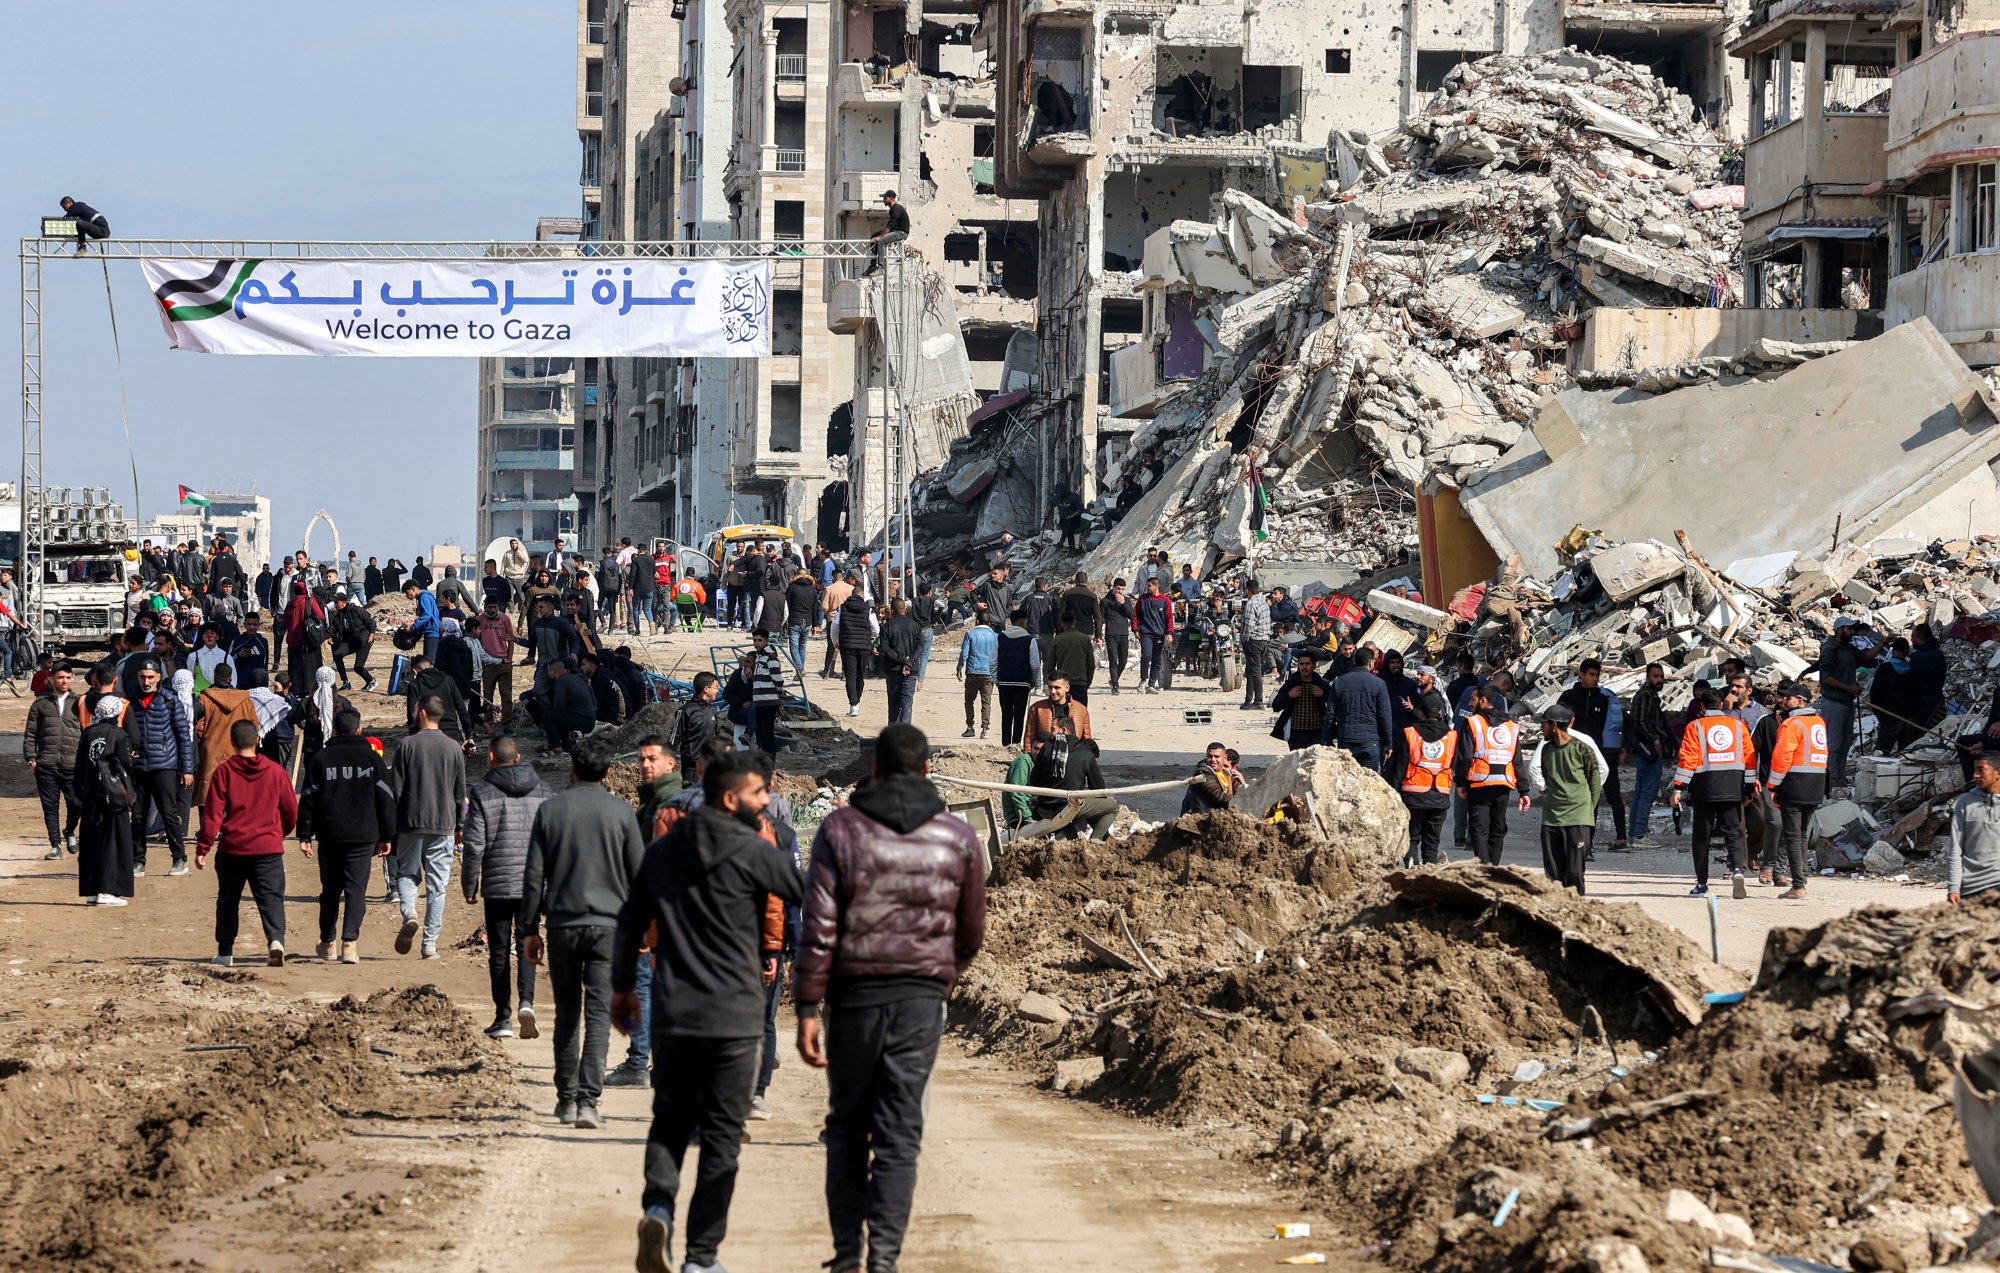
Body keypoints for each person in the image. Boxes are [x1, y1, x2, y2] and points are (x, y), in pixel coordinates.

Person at [794, 723, 986, 1273]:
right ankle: (883, 1261)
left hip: (853, 997)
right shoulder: (957, 835)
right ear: (928, 770)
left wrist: (808, 1006)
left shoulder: (840, 830)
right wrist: (944, 975)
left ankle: (846, 1257)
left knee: (847, 1124)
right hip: (921, 997)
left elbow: (820, 926)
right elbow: (971, 929)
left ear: (873, 768)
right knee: (901, 1130)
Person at [613, 751, 804, 1273]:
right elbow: (806, 899)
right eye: (757, 794)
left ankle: (657, 1208)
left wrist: (624, 991)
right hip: (737, 1019)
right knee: (721, 1137)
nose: (766, 801)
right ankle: (701, 1257)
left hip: (675, 1012)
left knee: (670, 1122)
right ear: (728, 799)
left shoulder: (663, 851)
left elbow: (631, 924)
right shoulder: (757, 851)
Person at [195, 719, 300, 966]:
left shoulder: (223, 772)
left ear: (232, 743)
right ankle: (276, 941)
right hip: (268, 848)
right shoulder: (275, 771)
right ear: (258, 740)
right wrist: (279, 832)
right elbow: (290, 809)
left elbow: (212, 814)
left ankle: (225, 952)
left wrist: (204, 847)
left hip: (233, 847)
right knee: (271, 898)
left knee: (228, 900)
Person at [296, 707, 396, 964]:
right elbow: (386, 800)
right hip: (363, 836)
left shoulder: (321, 758)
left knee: (330, 890)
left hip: (330, 835)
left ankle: (328, 942)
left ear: (336, 730)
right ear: (359, 730)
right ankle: (349, 944)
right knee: (355, 891)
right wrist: (388, 836)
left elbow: (308, 799)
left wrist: (305, 834)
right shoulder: (372, 760)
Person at [391, 696, 468, 960]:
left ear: (422, 713)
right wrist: (459, 826)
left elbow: (396, 789)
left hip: (411, 821)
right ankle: (430, 944)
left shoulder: (406, 745)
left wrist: (394, 823)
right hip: (444, 822)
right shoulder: (453, 748)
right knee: (438, 886)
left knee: (407, 873)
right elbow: (460, 792)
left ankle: (410, 912)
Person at [1670, 688, 1756, 898]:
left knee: (1702, 837)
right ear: (1721, 705)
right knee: (1734, 832)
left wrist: (1678, 787)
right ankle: (1737, 869)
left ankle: (1701, 884)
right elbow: (1749, 757)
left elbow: (1688, 759)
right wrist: (1749, 786)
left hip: (1705, 789)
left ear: (1702, 706)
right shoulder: (1738, 725)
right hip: (1732, 786)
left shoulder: (1695, 727)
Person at [1523, 704, 1608, 894]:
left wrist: (1586, 809)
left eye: (1543, 724)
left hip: (1578, 819)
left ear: (1553, 725)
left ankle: (1576, 911)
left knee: (1575, 872)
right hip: (1552, 819)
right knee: (1553, 875)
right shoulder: (1546, 750)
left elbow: (1595, 782)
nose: (1540, 728)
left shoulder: (1582, 749)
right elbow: (1544, 776)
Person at [127, 656, 195, 877]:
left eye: (150, 677)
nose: (146, 682)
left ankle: (179, 858)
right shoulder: (131, 701)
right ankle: (138, 861)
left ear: (158, 677)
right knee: (138, 815)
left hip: (165, 765)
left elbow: (183, 736)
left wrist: (187, 769)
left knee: (168, 813)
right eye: (142, 677)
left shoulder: (170, 700)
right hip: (139, 767)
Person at [1765, 681, 1828, 900]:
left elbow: (1782, 758)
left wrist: (1773, 786)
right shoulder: (1819, 723)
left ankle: (1798, 886)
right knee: (1802, 833)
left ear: (1800, 701)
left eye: (1789, 698)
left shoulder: (1792, 725)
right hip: (1816, 783)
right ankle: (1803, 879)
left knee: (1792, 835)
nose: (1784, 700)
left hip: (1795, 783)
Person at [1556, 659, 1628, 849]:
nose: (1595, 679)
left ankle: (1588, 844)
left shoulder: (1602, 699)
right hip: (1570, 754)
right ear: (1581, 674)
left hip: (1595, 753)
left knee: (1595, 798)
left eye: (1597, 675)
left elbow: (1601, 727)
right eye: (1591, 675)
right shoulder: (1568, 696)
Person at [75, 696, 137, 906]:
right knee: (114, 843)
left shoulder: (88, 733)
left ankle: (92, 890)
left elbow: (80, 766)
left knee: (92, 843)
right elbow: (126, 766)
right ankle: (108, 890)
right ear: (117, 713)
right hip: (112, 799)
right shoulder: (119, 735)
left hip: (90, 796)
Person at [1452, 684, 1519, 866]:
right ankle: (1494, 867)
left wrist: (1460, 782)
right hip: (1504, 784)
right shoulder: (1511, 726)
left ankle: (1484, 868)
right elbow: (1517, 759)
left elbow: (1464, 755)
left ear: (1483, 701)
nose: (1470, 703)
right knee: (1497, 830)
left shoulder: (1473, 722)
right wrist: (1525, 790)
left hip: (1480, 783)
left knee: (1479, 830)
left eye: (1473, 699)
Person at [26, 661, 83, 860]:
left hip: (73, 764)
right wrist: (31, 758)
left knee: (76, 803)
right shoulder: (40, 704)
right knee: (50, 807)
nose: (64, 681)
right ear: (52, 679)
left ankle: (69, 831)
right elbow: (31, 733)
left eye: (68, 677)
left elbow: (86, 732)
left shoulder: (80, 702)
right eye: (60, 677)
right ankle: (56, 845)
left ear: (72, 679)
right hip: (46, 764)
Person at [1815, 615, 1868, 787]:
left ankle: (1840, 774)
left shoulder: (1848, 648)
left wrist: (1883, 643)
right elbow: (1826, 677)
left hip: (1846, 700)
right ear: (1839, 630)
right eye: (1849, 629)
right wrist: (1848, 688)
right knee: (1834, 741)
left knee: (1845, 741)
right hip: (1834, 701)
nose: (1852, 632)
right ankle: (1831, 776)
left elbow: (1867, 659)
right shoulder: (1830, 648)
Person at [1398, 706, 1455, 865]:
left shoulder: (1410, 733)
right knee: (1432, 841)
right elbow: (1457, 763)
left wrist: (1394, 791)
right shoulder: (1451, 737)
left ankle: (1412, 866)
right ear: (1441, 715)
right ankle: (1429, 869)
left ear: (1421, 713)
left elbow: (1399, 766)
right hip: (1440, 795)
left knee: (1411, 837)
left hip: (1413, 795)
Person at [1624, 662, 1673, 849]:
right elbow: (1641, 722)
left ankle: (1634, 833)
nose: (1659, 680)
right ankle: (1639, 834)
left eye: (1661, 676)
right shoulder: (1645, 696)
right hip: (1649, 751)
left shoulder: (1649, 696)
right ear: (1647, 677)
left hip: (1644, 750)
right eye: (1655, 676)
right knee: (1647, 792)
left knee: (1640, 792)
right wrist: (1656, 740)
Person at [1328, 649, 1394, 773]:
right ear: (1370, 662)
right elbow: (1385, 716)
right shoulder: (1379, 684)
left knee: (1346, 783)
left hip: (1346, 739)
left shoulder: (1339, 682)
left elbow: (1330, 714)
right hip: (1370, 742)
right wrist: (1388, 743)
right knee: (1368, 784)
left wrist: (1326, 739)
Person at [1950, 752, 2000, 905]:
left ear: (1998, 772)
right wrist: (1954, 887)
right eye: (1974, 770)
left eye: (1981, 770)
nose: (1975, 775)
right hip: (1970, 888)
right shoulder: (1965, 802)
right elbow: (1955, 849)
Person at [831, 578, 878, 720]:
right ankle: (857, 699)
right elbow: (875, 627)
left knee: (850, 675)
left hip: (847, 645)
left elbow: (834, 627)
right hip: (864, 645)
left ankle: (853, 705)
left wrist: (835, 642)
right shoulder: (868, 609)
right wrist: (873, 637)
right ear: (862, 596)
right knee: (860, 675)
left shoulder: (841, 607)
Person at [532, 657, 598, 751]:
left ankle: (555, 746)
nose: (547, 673)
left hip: (582, 720)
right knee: (559, 716)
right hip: (590, 718)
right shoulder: (576, 679)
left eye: (548, 671)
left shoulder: (561, 682)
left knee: (548, 715)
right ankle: (566, 743)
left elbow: (560, 707)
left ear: (553, 671)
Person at [994, 610, 1039, 748]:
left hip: (1004, 683)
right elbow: (1035, 665)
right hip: (1022, 683)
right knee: (1019, 715)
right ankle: (1016, 743)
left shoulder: (999, 638)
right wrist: (1034, 681)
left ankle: (1005, 743)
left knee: (1006, 715)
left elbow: (992, 662)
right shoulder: (1030, 641)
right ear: (1021, 622)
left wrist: (997, 680)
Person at [1270, 648, 1329, 751]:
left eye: (1307, 664)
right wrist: (1289, 695)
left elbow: (1336, 705)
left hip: (1317, 732)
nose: (1304, 667)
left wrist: (1323, 694)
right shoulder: (1291, 684)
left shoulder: (1321, 684)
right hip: (1295, 733)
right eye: (1301, 664)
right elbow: (1276, 706)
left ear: (1314, 665)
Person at [878, 600, 923, 725]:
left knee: (894, 703)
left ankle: (893, 734)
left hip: (893, 669)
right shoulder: (915, 626)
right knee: (907, 701)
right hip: (911, 670)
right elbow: (920, 646)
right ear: (905, 610)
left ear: (892, 611)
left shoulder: (887, 627)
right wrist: (909, 662)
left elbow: (885, 649)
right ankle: (906, 733)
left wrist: (902, 660)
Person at [956, 617, 999, 740]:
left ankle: (970, 728)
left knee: (969, 700)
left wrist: (959, 668)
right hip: (989, 673)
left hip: (973, 673)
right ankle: (985, 729)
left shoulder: (970, 633)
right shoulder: (995, 636)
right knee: (986, 702)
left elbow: (964, 653)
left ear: (977, 621)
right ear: (989, 622)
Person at [746, 628, 789, 752]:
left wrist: (776, 694)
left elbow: (778, 680)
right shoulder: (759, 657)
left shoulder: (770, 657)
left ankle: (769, 765)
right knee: (760, 736)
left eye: (760, 640)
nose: (757, 643)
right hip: (759, 702)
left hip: (768, 702)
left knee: (767, 735)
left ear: (766, 641)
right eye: (755, 640)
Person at [672, 672, 723, 773]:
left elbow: (716, 735)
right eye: (716, 687)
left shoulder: (712, 710)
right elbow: (674, 739)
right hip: (692, 768)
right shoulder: (686, 711)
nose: (717, 691)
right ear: (706, 689)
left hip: (710, 767)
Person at [282, 579, 327, 691]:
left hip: (293, 640)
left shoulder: (290, 604)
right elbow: (321, 616)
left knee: (295, 666)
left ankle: (296, 689)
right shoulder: (309, 601)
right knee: (310, 666)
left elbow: (284, 623)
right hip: (308, 639)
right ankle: (309, 688)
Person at [328, 594, 379, 692]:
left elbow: (371, 622)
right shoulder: (337, 615)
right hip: (350, 641)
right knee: (337, 654)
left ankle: (371, 681)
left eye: (336, 602)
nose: (335, 605)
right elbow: (333, 629)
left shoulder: (356, 610)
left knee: (358, 667)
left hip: (364, 640)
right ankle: (345, 682)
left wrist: (371, 635)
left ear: (343, 602)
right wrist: (329, 637)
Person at [1134, 577, 1174, 693]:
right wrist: (1135, 629)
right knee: (1146, 655)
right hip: (1146, 633)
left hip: (1160, 634)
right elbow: (1135, 615)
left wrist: (1169, 633)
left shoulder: (1165, 600)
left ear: (1156, 586)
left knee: (1157, 659)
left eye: (1149, 586)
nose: (1147, 588)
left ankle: (1151, 684)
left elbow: (1169, 618)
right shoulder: (1143, 600)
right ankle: (1143, 680)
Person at [1048, 610, 1095, 706]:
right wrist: (1087, 682)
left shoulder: (1057, 640)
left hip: (1062, 684)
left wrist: (1053, 684)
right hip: (1080, 683)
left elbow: (1050, 665)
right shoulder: (1085, 639)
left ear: (1062, 623)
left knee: (1061, 717)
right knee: (1079, 716)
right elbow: (1091, 664)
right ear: (1074, 622)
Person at [1183, 741, 1239, 814]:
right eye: (1209, 756)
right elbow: (1218, 797)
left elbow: (1240, 790)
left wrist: (1243, 782)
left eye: (1217, 756)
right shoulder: (1203, 772)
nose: (1213, 760)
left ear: (1224, 758)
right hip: (1203, 819)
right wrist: (1240, 800)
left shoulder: (1226, 773)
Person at [1100, 579, 1135, 695]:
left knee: (1124, 660)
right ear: (1114, 588)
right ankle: (1115, 685)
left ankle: (1113, 679)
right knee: (1113, 660)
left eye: (1122, 589)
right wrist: (1098, 635)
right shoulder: (1105, 601)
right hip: (1111, 634)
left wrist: (1123, 603)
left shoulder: (1127, 600)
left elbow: (1131, 616)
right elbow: (1100, 618)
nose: (1120, 591)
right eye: (1118, 589)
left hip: (1124, 633)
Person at [783, 563, 818, 671]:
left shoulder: (792, 588)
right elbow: (815, 608)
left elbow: (787, 605)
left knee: (793, 645)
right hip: (807, 621)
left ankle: (799, 668)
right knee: (802, 646)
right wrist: (815, 625)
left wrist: (784, 620)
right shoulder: (813, 590)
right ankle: (800, 670)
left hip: (794, 619)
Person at [402, 578, 444, 664]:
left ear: (413, 589)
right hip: (430, 631)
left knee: (429, 661)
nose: (407, 595)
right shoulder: (424, 597)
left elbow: (427, 615)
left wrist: (413, 627)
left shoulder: (424, 597)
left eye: (407, 592)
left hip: (432, 632)